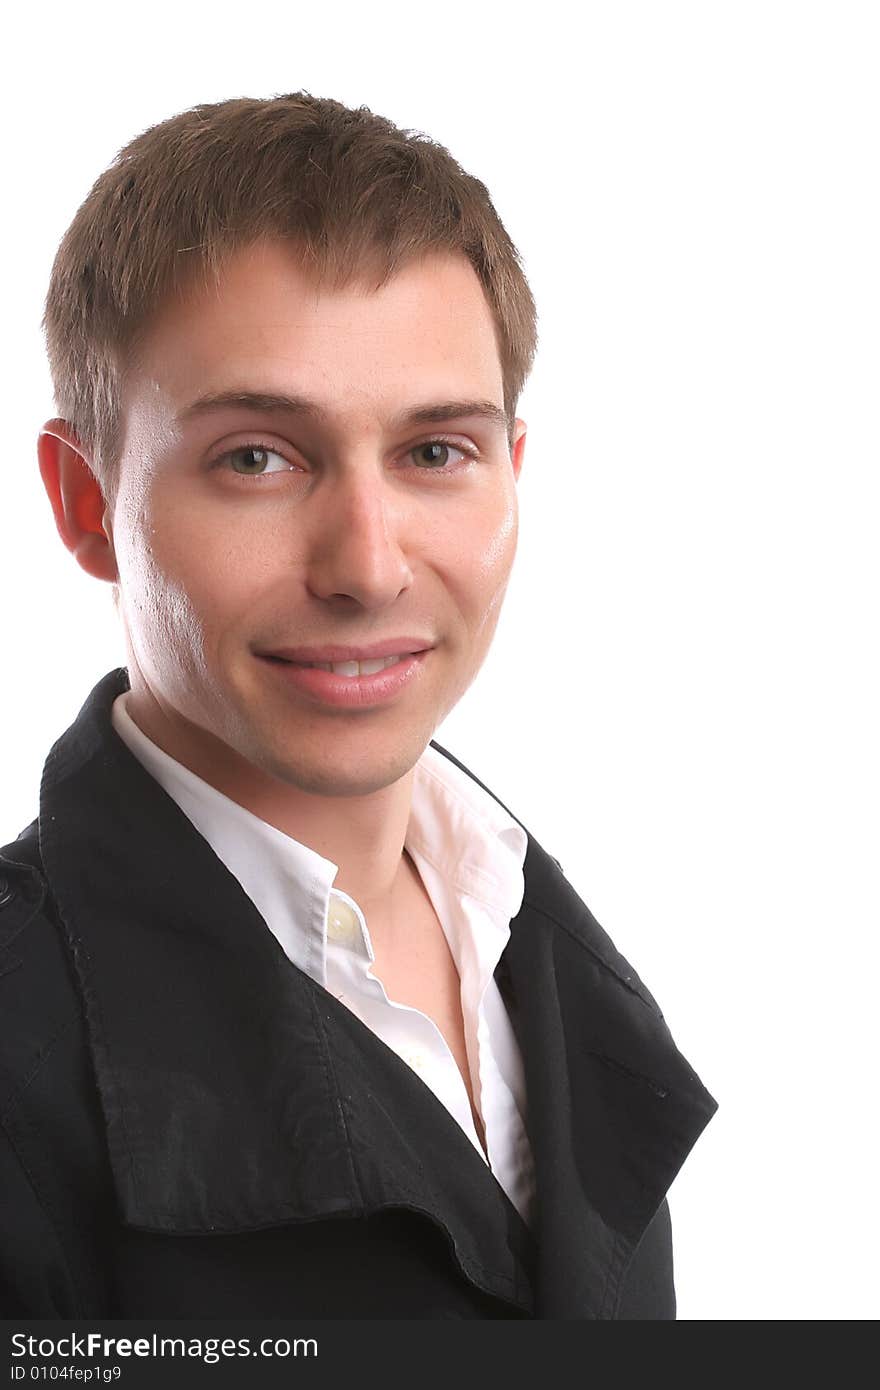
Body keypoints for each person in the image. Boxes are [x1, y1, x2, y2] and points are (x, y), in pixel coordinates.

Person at [0, 92, 717, 1320]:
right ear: (84, 502)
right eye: (257, 458)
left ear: (510, 473)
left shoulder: (526, 934)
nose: (368, 565)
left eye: (436, 451)